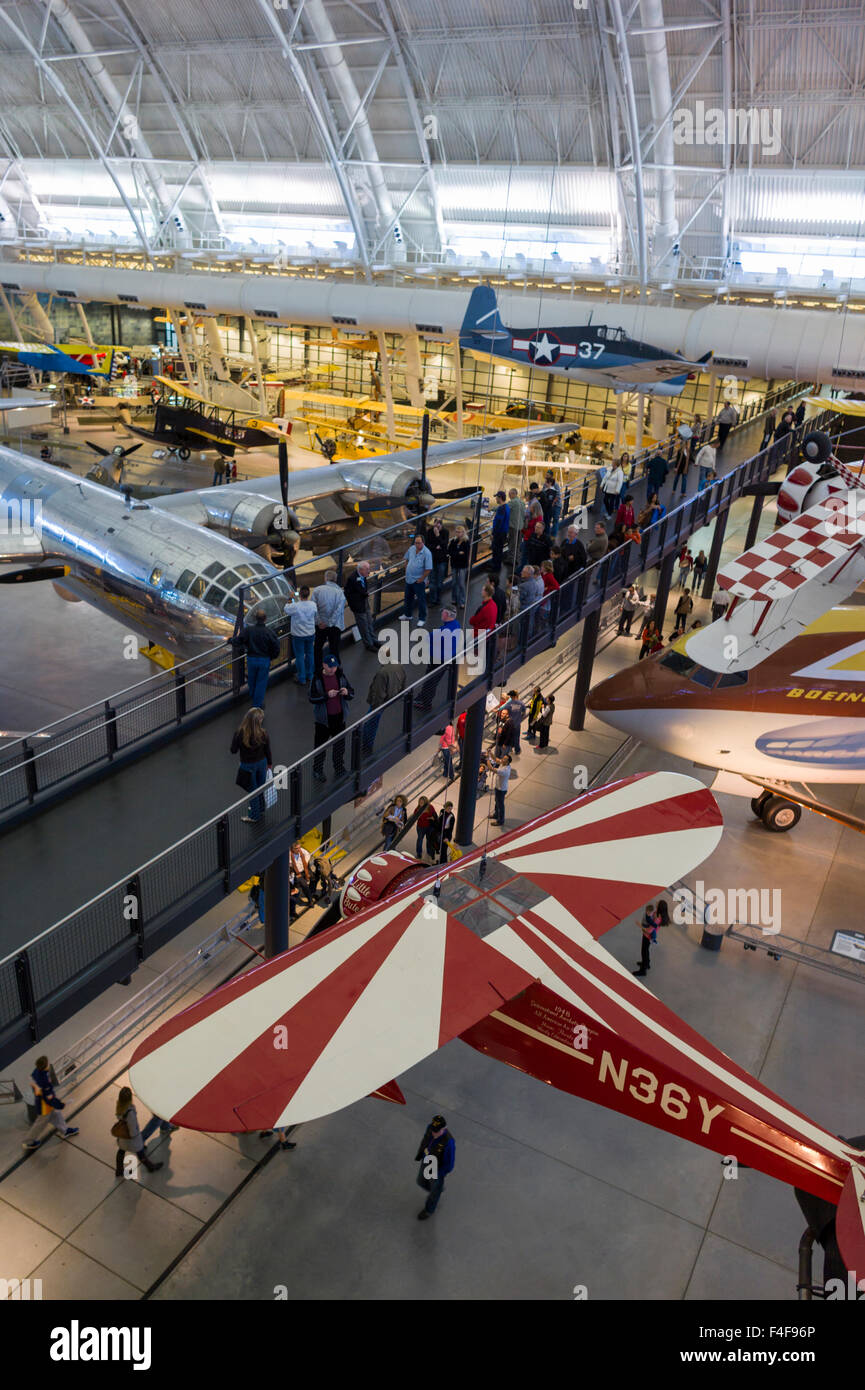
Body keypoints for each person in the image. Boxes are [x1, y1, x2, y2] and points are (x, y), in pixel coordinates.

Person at [310, 653, 354, 782]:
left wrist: (347, 693)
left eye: (334, 667)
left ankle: (339, 767)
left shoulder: (340, 675)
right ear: (324, 665)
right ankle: (317, 770)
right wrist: (326, 695)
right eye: (330, 667)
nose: (332, 669)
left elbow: (352, 692)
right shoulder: (317, 678)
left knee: (339, 746)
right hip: (324, 721)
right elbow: (312, 698)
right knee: (320, 747)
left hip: (339, 718)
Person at [22, 1055, 80, 1150]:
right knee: (40, 1124)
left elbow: (32, 1082)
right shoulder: (44, 1080)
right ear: (45, 1066)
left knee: (57, 1115)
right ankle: (29, 1142)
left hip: (43, 1102)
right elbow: (50, 1098)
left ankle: (65, 1131)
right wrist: (60, 1104)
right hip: (45, 1106)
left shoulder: (37, 1072)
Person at [233, 608, 280, 709]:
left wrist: (230, 640)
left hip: (251, 659)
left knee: (252, 681)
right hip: (264, 660)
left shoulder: (249, 630)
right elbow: (276, 646)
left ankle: (254, 698)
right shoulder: (269, 632)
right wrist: (272, 657)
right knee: (261, 682)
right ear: (265, 619)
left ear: (255, 618)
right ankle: (257, 705)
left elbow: (239, 640)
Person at [231, 707, 272, 823]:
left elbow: (233, 750)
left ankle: (254, 816)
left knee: (252, 792)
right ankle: (261, 808)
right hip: (261, 763)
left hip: (247, 766)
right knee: (260, 788)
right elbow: (267, 750)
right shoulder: (263, 733)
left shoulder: (239, 733)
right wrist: (269, 763)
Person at [112, 1086, 163, 1177]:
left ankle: (119, 1170)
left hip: (122, 1137)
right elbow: (132, 1129)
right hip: (132, 1138)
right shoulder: (130, 1112)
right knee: (140, 1153)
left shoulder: (119, 1106)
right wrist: (137, 1137)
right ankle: (150, 1167)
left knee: (121, 1151)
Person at [415, 1115, 455, 1220]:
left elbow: (449, 1164)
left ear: (444, 1128)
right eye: (433, 1130)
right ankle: (438, 1189)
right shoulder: (431, 1128)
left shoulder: (449, 1143)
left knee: (434, 1192)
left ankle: (429, 1210)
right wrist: (420, 1154)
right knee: (420, 1181)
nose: (434, 1133)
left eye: (437, 1131)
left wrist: (438, 1174)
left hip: (437, 1169)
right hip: (427, 1161)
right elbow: (425, 1140)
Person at [363, 660, 405, 754]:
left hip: (379, 704)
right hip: (391, 697)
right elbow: (403, 682)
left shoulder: (382, 673)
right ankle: (365, 739)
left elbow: (379, 693)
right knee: (370, 722)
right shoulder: (399, 666)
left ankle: (367, 746)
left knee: (372, 723)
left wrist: (375, 708)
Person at [344, 561, 382, 652]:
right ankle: (368, 644)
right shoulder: (352, 579)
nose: (369, 571)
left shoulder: (363, 576)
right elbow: (348, 594)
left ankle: (374, 640)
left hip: (364, 603)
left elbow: (363, 587)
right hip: (358, 606)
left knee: (369, 622)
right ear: (360, 570)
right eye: (367, 569)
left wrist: (364, 594)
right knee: (363, 626)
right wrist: (359, 598)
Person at [312, 569, 346, 669]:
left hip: (320, 625)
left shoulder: (317, 590)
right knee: (334, 648)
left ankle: (318, 668)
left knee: (317, 648)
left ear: (325, 578)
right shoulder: (340, 593)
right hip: (335, 626)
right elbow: (338, 611)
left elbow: (313, 608)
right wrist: (330, 623)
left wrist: (319, 622)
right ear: (335, 579)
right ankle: (334, 667)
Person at [285, 585, 317, 684]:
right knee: (310, 654)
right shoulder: (313, 604)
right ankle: (310, 675)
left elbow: (286, 609)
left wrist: (290, 597)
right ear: (308, 594)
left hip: (298, 635)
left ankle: (301, 678)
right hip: (310, 633)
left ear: (300, 595)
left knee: (299, 656)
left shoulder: (295, 606)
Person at [404, 533, 432, 626]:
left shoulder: (427, 553)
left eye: (419, 543)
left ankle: (422, 618)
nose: (417, 545)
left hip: (418, 581)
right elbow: (406, 559)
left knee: (421, 600)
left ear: (423, 542)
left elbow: (428, 569)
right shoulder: (412, 548)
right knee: (408, 598)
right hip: (409, 579)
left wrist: (421, 579)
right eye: (416, 543)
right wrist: (406, 569)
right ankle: (408, 615)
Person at [426, 516, 450, 604]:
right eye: (436, 524)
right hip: (432, 560)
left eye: (439, 524)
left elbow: (444, 544)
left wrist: (438, 535)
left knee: (440, 582)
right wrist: (436, 547)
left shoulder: (445, 532)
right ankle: (432, 600)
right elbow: (428, 545)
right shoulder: (429, 532)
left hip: (442, 561)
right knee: (432, 582)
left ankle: (438, 599)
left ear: (441, 525)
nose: (437, 526)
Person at [447, 524, 470, 609]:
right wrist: (458, 553)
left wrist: (455, 554)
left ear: (463, 532)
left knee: (461, 584)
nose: (457, 533)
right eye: (456, 532)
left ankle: (462, 601)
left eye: (459, 532)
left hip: (462, 566)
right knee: (454, 583)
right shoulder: (453, 541)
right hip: (454, 565)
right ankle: (454, 599)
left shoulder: (466, 542)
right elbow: (449, 551)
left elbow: (465, 555)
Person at [633, 907, 657, 977]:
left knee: (644, 951)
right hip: (647, 935)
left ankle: (643, 970)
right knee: (645, 950)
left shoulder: (655, 918)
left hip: (648, 936)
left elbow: (650, 930)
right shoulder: (655, 914)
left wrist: (639, 925)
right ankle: (646, 964)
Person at [501, 689, 527, 755]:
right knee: (516, 737)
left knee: (510, 736)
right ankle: (517, 749)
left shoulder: (509, 703)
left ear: (512, 696)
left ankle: (510, 749)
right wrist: (521, 717)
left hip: (510, 724)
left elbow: (504, 710)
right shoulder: (521, 703)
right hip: (517, 724)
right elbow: (524, 711)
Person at [490, 490, 510, 574]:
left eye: (497, 498)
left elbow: (499, 522)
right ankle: (496, 567)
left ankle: (495, 568)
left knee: (496, 551)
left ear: (500, 498)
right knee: (499, 550)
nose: (496, 499)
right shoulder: (506, 506)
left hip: (499, 533)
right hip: (503, 532)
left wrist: (493, 534)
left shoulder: (501, 508)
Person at [289, 839, 314, 905]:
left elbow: (308, 855)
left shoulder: (301, 851)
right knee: (304, 885)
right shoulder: (289, 855)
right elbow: (290, 865)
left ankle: (312, 891)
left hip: (304, 870)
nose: (298, 849)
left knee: (314, 877)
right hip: (296, 874)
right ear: (292, 849)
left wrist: (305, 862)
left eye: (299, 847)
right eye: (296, 848)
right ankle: (310, 900)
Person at [489, 752, 511, 826]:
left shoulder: (505, 770)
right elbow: (495, 759)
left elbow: (491, 769)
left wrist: (486, 761)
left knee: (500, 805)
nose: (502, 759)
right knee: (497, 802)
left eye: (504, 759)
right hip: (498, 787)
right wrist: (490, 753)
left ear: (507, 761)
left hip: (501, 790)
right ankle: (496, 814)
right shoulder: (503, 763)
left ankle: (500, 821)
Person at [507, 487, 526, 564]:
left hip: (513, 526)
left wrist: (492, 509)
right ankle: (517, 559)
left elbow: (503, 508)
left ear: (513, 494)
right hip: (520, 526)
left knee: (512, 544)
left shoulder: (513, 502)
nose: (508, 495)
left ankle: (511, 560)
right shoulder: (522, 502)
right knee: (518, 544)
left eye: (509, 494)